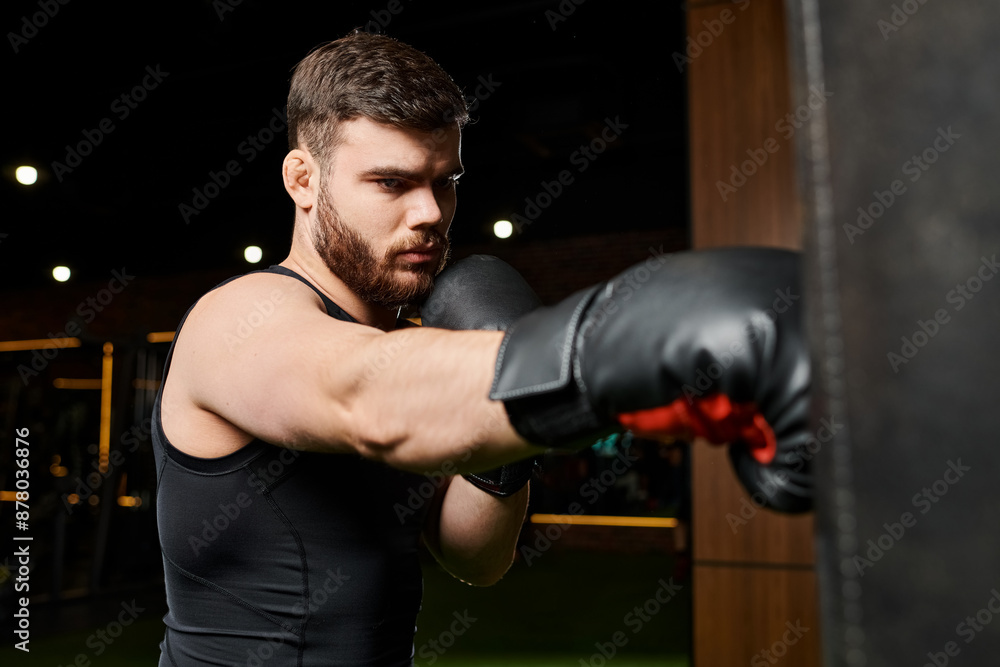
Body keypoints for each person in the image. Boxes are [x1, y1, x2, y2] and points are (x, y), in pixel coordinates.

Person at [152, 30, 811, 666]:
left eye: (445, 181)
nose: (430, 213)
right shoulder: (239, 320)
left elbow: (477, 557)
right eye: (391, 182)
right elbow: (364, 397)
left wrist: (504, 434)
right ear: (303, 178)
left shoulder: (422, 359)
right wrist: (624, 339)